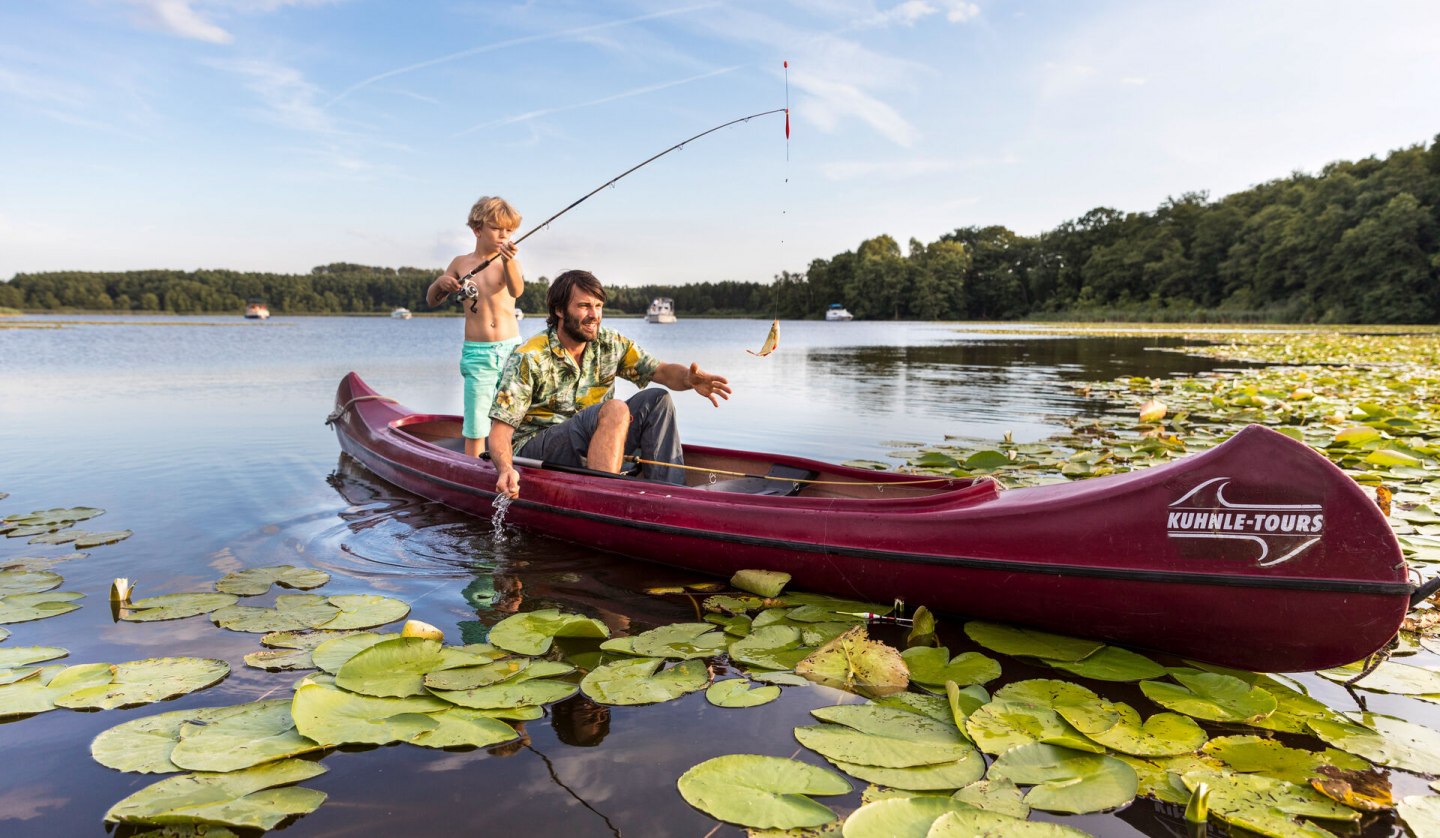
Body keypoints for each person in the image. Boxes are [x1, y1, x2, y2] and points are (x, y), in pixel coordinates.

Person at [487, 269, 730, 498]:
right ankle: (604, 499)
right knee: (615, 408)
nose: (594, 315)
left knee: (657, 399)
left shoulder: (610, 343)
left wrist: (688, 378)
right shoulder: (529, 356)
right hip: (536, 448)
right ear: (559, 310)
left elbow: (662, 371)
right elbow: (500, 431)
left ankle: (670, 495)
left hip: (595, 440)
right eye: (584, 306)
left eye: (598, 306)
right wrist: (505, 468)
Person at [425, 196, 526, 457]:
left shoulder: (508, 262)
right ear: (477, 229)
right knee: (476, 420)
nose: (504, 235)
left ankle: (510, 464)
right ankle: (472, 467)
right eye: (497, 228)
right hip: (478, 353)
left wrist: (509, 262)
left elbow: (517, 290)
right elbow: (432, 300)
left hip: (511, 351)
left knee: (511, 414)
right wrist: (441, 283)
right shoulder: (461, 263)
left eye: (509, 231)